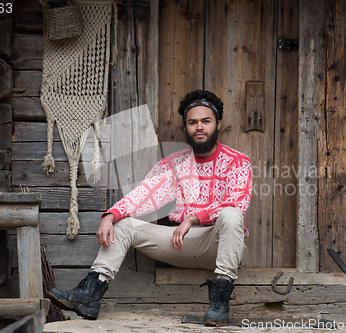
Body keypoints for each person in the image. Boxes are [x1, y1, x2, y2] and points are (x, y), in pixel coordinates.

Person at [48, 90, 253, 327]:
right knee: (124, 225)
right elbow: (143, 195)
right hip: (180, 245)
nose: (199, 127)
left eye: (206, 121)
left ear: (218, 124)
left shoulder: (238, 161)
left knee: (231, 214)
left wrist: (192, 219)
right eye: (192, 122)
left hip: (219, 246)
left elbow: (237, 203)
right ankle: (90, 294)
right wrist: (111, 215)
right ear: (185, 127)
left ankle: (219, 306)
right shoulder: (174, 164)